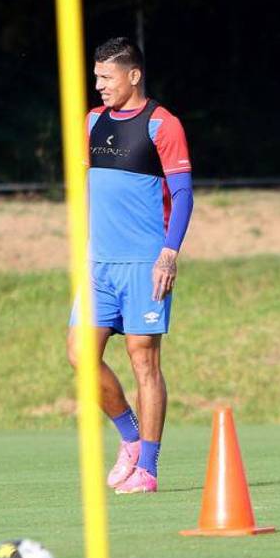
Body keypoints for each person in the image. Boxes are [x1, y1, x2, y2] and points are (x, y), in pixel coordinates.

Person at [67, 37, 194, 495]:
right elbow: (90, 187)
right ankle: (131, 438)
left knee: (144, 361)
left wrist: (169, 254)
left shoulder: (163, 124)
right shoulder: (92, 121)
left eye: (107, 76)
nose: (99, 85)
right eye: (96, 77)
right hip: (98, 264)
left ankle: (149, 469)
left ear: (134, 75)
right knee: (80, 354)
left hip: (144, 263)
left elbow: (183, 194)